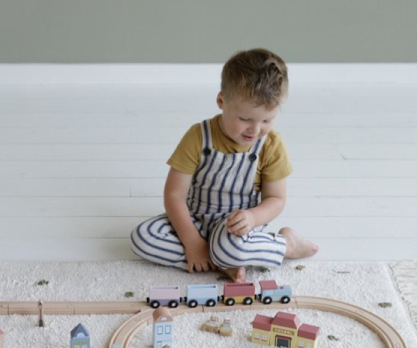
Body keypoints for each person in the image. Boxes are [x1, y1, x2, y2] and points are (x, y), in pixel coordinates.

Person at [130, 48, 318, 282]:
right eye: (245, 119)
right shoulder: (198, 136)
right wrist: (192, 241)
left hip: (237, 227)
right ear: (221, 101)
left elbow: (276, 199)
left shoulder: (270, 145)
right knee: (143, 238)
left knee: (231, 248)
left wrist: (252, 218)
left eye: (267, 120)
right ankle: (221, 260)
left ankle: (286, 244)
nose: (255, 130)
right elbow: (175, 195)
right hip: (196, 219)